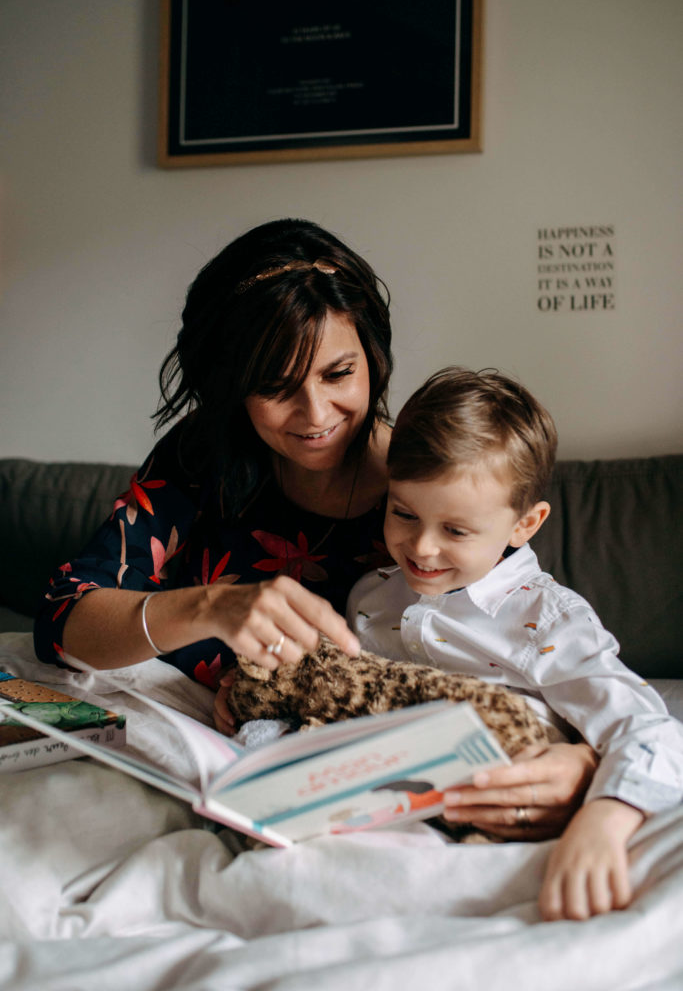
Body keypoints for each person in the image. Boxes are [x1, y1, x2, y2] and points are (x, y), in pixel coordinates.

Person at [33, 218, 595, 839]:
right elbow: (65, 617)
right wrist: (213, 606)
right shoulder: (204, 457)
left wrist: (579, 760)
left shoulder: (431, 496)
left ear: (374, 359)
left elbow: (527, 657)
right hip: (198, 735)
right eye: (275, 387)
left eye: (338, 374)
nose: (315, 415)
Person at [347, 366, 683, 920]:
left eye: (455, 530)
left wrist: (605, 817)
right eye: (403, 513)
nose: (421, 548)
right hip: (381, 806)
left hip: (499, 824)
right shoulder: (370, 598)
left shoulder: (545, 620)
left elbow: (649, 730)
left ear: (525, 525)